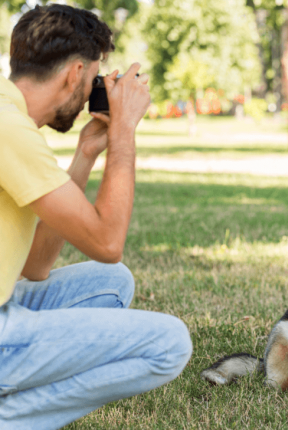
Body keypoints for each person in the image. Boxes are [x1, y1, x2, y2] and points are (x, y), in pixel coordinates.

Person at [0, 5, 192, 428]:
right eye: (93, 80)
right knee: (170, 344)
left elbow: (35, 266)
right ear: (74, 73)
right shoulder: (8, 129)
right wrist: (124, 132)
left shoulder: (10, 120)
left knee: (112, 282)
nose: (91, 93)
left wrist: (87, 152)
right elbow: (107, 243)